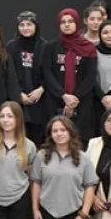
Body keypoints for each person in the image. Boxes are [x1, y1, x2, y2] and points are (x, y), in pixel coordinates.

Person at [31, 116, 98, 219]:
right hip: (49, 214)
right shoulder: (41, 156)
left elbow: (90, 186)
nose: (59, 134)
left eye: (63, 130)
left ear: (70, 132)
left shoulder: (83, 158)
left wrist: (84, 215)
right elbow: (36, 183)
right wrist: (35, 209)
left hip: (75, 215)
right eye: (55, 131)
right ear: (50, 134)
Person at [43, 9, 99, 141]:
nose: (66, 25)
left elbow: (91, 77)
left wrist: (74, 99)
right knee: (56, 139)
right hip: (56, 100)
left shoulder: (88, 47)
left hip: (82, 102)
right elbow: (47, 73)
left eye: (70, 21)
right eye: (63, 22)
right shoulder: (50, 47)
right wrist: (63, 95)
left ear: (77, 23)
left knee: (79, 140)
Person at [8, 11, 48, 139]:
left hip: (40, 100)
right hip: (18, 100)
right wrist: (19, 93)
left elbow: (50, 73)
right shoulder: (11, 47)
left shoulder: (45, 47)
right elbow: (9, 73)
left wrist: (41, 89)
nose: (25, 28)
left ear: (36, 26)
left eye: (29, 24)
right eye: (22, 25)